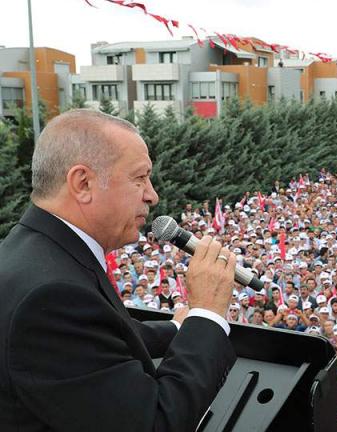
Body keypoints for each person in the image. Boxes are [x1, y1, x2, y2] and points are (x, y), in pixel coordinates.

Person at [0, 110, 238, 431]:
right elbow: (156, 422)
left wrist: (177, 329)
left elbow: (96, 340)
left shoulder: (33, 251)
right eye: (139, 178)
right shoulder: (53, 297)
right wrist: (207, 314)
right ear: (83, 183)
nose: (152, 195)